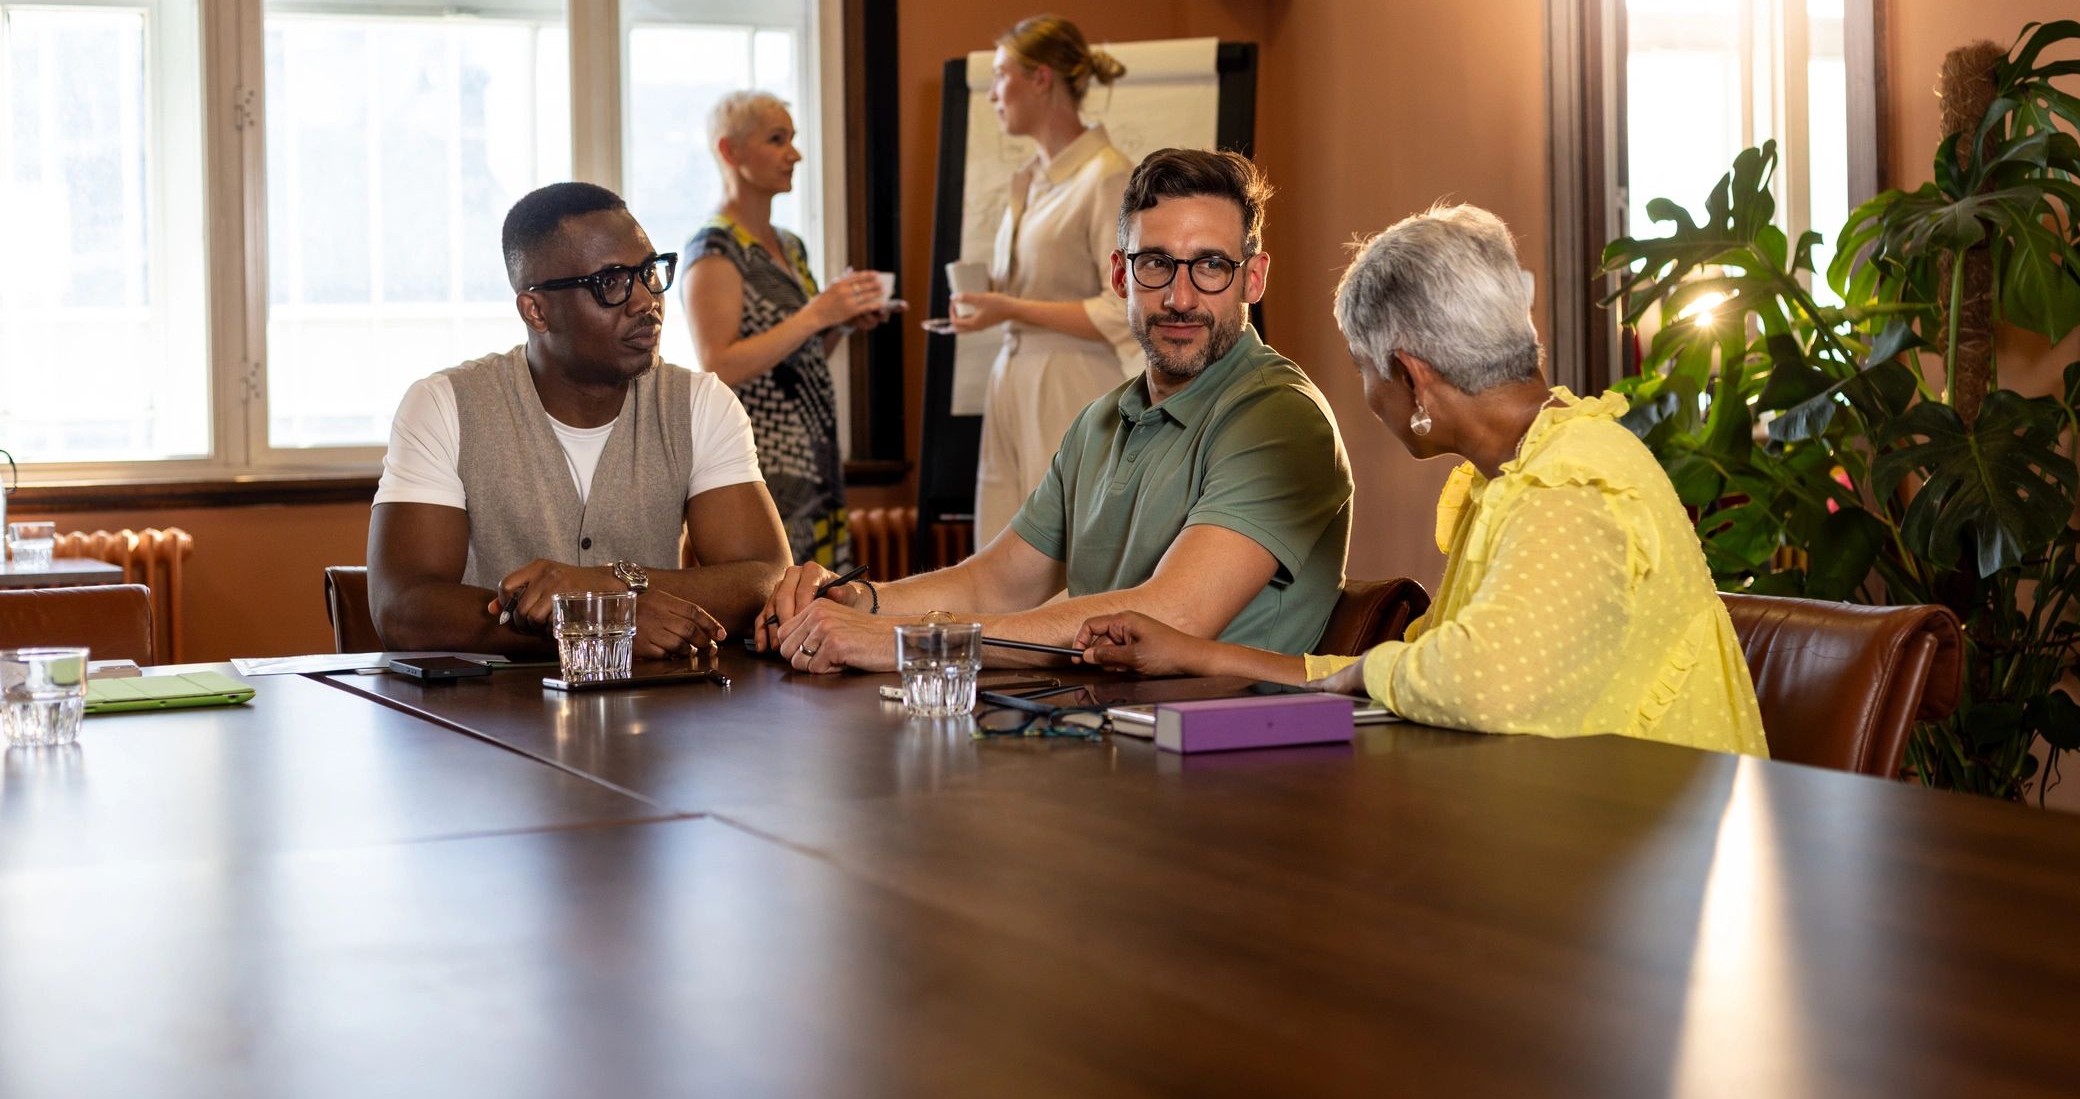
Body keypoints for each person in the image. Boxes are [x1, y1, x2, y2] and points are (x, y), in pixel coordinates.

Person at [1077, 204, 1770, 758]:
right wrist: (1197, 655)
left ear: (1411, 378)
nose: (1366, 394)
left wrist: (1357, 673)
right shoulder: (1526, 465)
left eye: (1363, 366)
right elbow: (1417, 671)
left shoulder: (1572, 483)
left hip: (1654, 867)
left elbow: (1475, 681)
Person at [759, 148, 1353, 673]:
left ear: (1253, 278)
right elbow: (993, 582)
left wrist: (897, 640)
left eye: (1211, 266)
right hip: (1103, 735)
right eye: (1156, 263)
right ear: (1120, 275)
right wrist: (856, 602)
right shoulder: (1099, 422)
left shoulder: (1281, 418)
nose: (1180, 297)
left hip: (1231, 758)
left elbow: (1174, 614)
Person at [368, 181, 793, 657]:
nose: (646, 301)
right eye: (611, 282)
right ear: (536, 311)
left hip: (651, 715)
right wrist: (597, 619)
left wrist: (611, 584)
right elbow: (402, 609)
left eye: (650, 271)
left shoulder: (699, 404)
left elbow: (766, 577)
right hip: (486, 713)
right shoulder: (444, 407)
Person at [949, 14, 1145, 547]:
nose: (991, 94)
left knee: (1062, 544)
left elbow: (1121, 308)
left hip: (1070, 380)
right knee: (999, 540)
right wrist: (992, 298)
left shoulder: (1106, 175)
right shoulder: (1030, 179)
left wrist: (1008, 308)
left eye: (1000, 75)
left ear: (1040, 78)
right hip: (1012, 375)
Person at [680, 91, 888, 573]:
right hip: (761, 460)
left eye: (792, 139)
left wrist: (840, 325)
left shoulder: (790, 245)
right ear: (730, 151)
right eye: (777, 140)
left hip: (815, 457)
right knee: (777, 601)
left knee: (822, 601)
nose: (793, 154)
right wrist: (817, 314)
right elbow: (718, 363)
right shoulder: (715, 247)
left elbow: (798, 351)